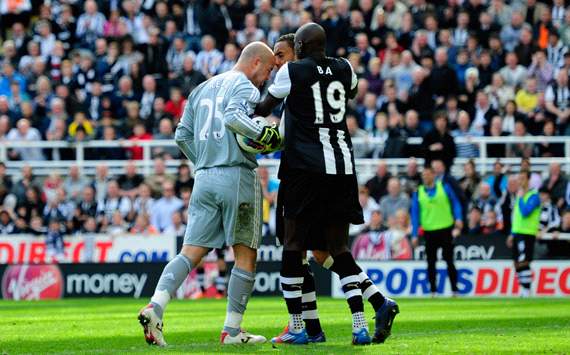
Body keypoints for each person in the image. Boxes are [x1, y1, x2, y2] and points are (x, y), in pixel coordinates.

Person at [256, 23, 398, 345]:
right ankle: (365, 316)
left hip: (305, 168)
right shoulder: (345, 68)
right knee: (332, 251)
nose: (278, 61)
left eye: (282, 54)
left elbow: (264, 107)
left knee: (294, 247)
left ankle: (299, 327)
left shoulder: (292, 72)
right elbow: (348, 91)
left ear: (300, 48)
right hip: (342, 168)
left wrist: (244, 120)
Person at [138, 41, 280, 347]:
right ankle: (232, 331)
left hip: (203, 178)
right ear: (255, 63)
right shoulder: (245, 87)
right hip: (237, 174)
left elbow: (181, 135)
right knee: (245, 254)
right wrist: (264, 134)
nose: (267, 78)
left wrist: (203, 159)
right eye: (268, 70)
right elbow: (232, 117)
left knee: (190, 252)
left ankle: (155, 306)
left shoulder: (201, 88)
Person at [411, 165, 463, 296]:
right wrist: (414, 234)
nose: (425, 177)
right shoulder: (419, 192)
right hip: (429, 231)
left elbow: (456, 202)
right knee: (431, 262)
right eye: (423, 175)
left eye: (428, 174)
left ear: (433, 175)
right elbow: (415, 214)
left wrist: (459, 218)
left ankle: (454, 290)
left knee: (449, 260)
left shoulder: (444, 187)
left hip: (446, 228)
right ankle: (433, 290)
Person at [507, 170, 541, 297]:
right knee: (516, 262)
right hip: (517, 233)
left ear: (528, 180)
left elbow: (526, 212)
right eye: (518, 179)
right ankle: (523, 289)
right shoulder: (518, 195)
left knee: (524, 261)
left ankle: (527, 290)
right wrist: (512, 233)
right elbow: (516, 217)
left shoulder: (533, 196)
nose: (520, 181)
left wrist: (521, 198)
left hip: (527, 233)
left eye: (522, 178)